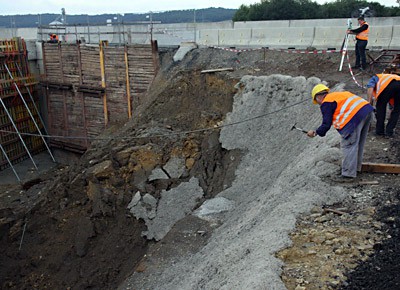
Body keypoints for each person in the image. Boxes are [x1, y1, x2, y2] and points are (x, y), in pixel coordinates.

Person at [307, 84, 374, 181]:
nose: (319, 104)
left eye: (317, 101)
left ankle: (348, 174)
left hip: (355, 117)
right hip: (366, 110)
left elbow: (326, 123)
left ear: (318, 97)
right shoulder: (337, 96)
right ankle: (356, 168)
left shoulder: (326, 102)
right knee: (358, 144)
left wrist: (316, 132)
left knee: (349, 145)